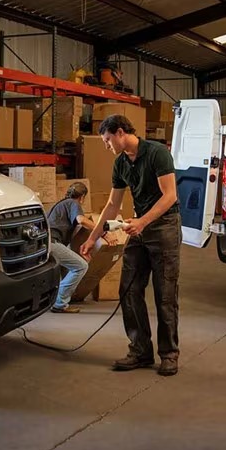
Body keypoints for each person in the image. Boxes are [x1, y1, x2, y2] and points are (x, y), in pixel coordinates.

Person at [80, 115, 181, 376]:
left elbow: (170, 196)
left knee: (165, 294)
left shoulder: (157, 153)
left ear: (121, 132)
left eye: (107, 140)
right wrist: (92, 238)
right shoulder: (121, 164)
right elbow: (112, 205)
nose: (106, 146)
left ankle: (169, 354)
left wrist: (143, 221)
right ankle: (140, 351)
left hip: (163, 227)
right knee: (129, 289)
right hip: (139, 228)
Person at [47, 181, 111, 313]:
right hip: (51, 242)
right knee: (80, 266)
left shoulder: (59, 205)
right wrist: (103, 232)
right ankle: (59, 303)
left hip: (44, 242)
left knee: (64, 267)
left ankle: (54, 300)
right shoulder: (73, 203)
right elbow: (81, 220)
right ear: (82, 197)